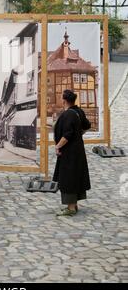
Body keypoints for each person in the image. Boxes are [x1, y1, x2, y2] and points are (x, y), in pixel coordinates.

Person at [53, 89, 91, 217]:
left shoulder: (68, 114)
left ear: (64, 100)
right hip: (78, 150)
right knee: (76, 176)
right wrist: (78, 134)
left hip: (69, 152)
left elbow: (67, 135)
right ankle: (74, 205)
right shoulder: (78, 111)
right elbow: (86, 126)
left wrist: (58, 146)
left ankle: (70, 208)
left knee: (68, 178)